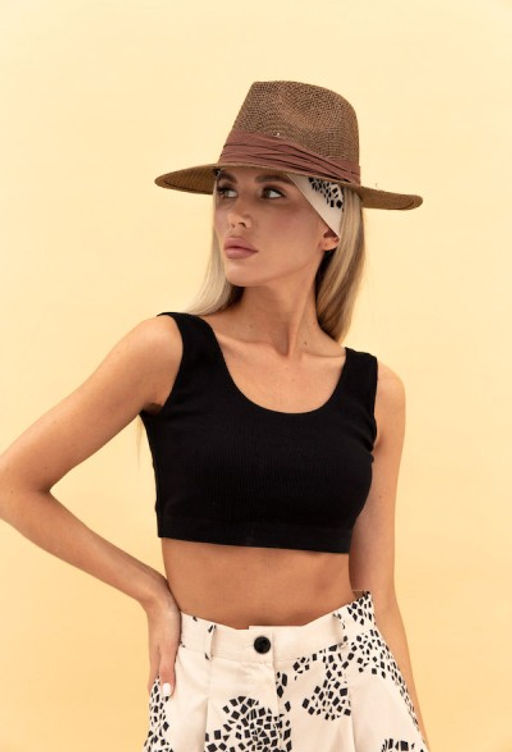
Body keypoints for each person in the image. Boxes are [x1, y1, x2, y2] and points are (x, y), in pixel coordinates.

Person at [0, 80, 430, 751]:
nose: (236, 215)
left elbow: (380, 598)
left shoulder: (376, 392)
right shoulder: (168, 351)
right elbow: (13, 482)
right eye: (227, 190)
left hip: (352, 688)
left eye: (272, 193)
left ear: (331, 225)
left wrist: (417, 733)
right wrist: (151, 592)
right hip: (212, 682)